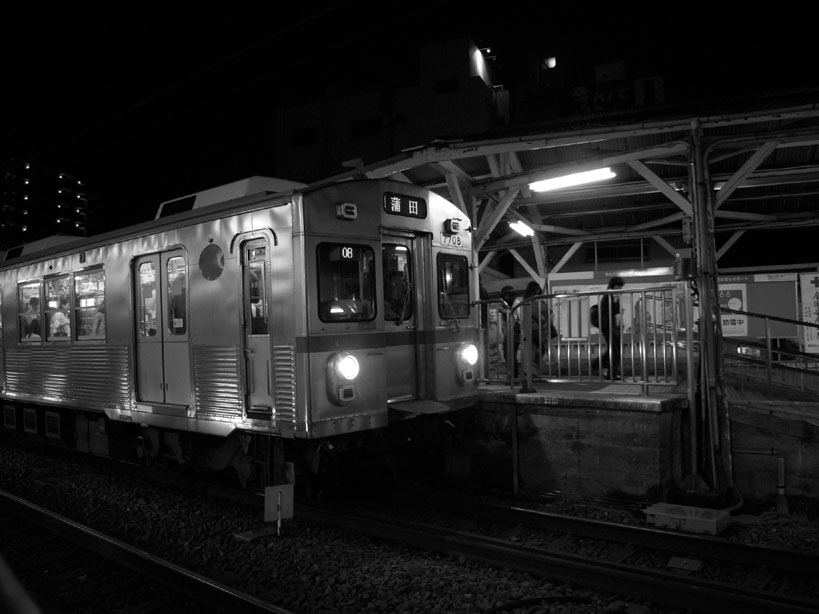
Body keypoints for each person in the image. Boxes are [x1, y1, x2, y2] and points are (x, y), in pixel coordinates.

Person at [600, 276, 624, 380]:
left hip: (611, 327)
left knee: (614, 349)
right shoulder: (610, 296)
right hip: (609, 327)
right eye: (619, 287)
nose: (620, 289)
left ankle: (609, 371)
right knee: (615, 350)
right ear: (614, 286)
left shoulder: (612, 296)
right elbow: (612, 312)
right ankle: (610, 373)